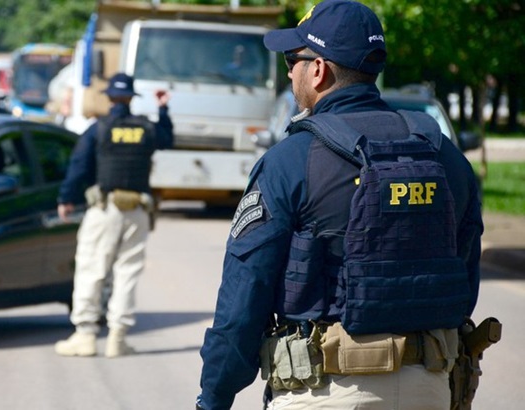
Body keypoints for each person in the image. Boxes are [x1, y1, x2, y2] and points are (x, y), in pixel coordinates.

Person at [196, 1, 483, 409]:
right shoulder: (444, 156)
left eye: (291, 60)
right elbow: (464, 281)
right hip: (430, 388)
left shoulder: (290, 161)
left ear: (318, 69)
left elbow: (243, 298)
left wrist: (214, 396)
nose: (289, 72)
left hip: (324, 391)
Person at [55, 72, 173, 358]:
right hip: (138, 210)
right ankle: (117, 339)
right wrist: (163, 109)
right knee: (127, 273)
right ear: (131, 99)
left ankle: (85, 336)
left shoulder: (98, 129)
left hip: (105, 210)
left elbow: (79, 166)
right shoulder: (146, 128)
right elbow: (167, 139)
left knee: (92, 269)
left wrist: (66, 198)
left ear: (109, 98)